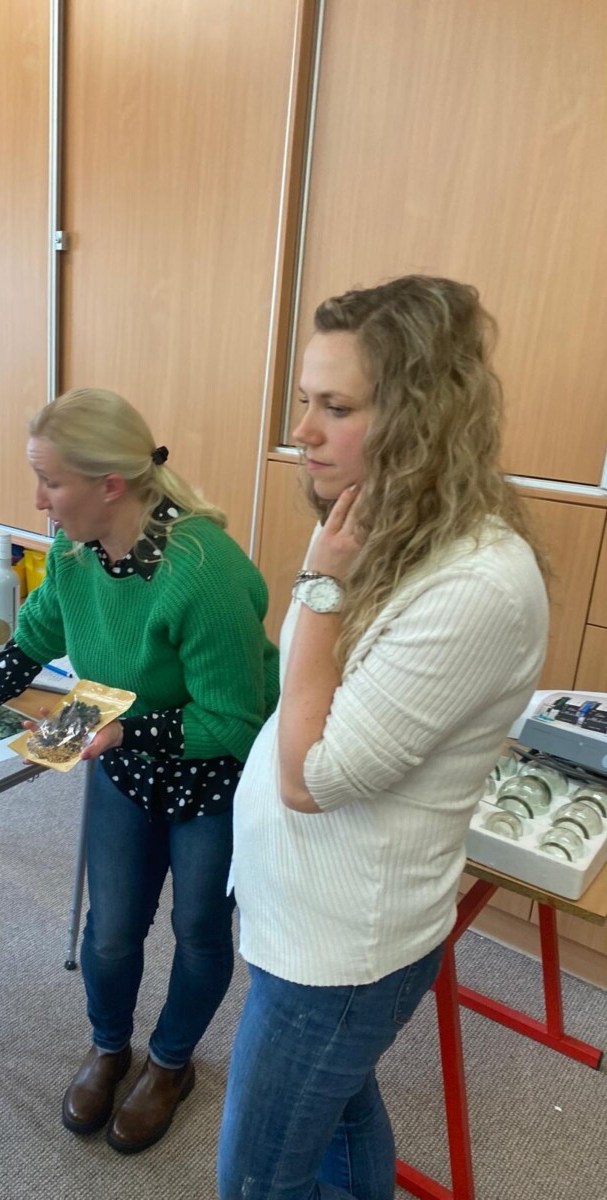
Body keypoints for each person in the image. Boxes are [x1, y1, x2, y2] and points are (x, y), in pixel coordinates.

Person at [217, 275, 549, 1199]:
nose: (303, 432)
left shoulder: (475, 584)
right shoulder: (383, 531)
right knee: (337, 1118)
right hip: (304, 912)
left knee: (255, 1179)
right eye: (305, 402)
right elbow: (306, 695)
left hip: (341, 949)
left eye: (337, 408)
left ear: (419, 419)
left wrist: (320, 586)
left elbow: (309, 778)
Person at [0, 387, 279, 1153]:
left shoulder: (204, 572)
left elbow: (234, 722)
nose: (37, 500)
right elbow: (37, 634)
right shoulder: (77, 554)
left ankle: (171, 1064)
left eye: (50, 481)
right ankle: (110, 1046)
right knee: (111, 931)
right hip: (128, 756)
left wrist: (123, 732)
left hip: (213, 771)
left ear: (110, 484)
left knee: (199, 929)